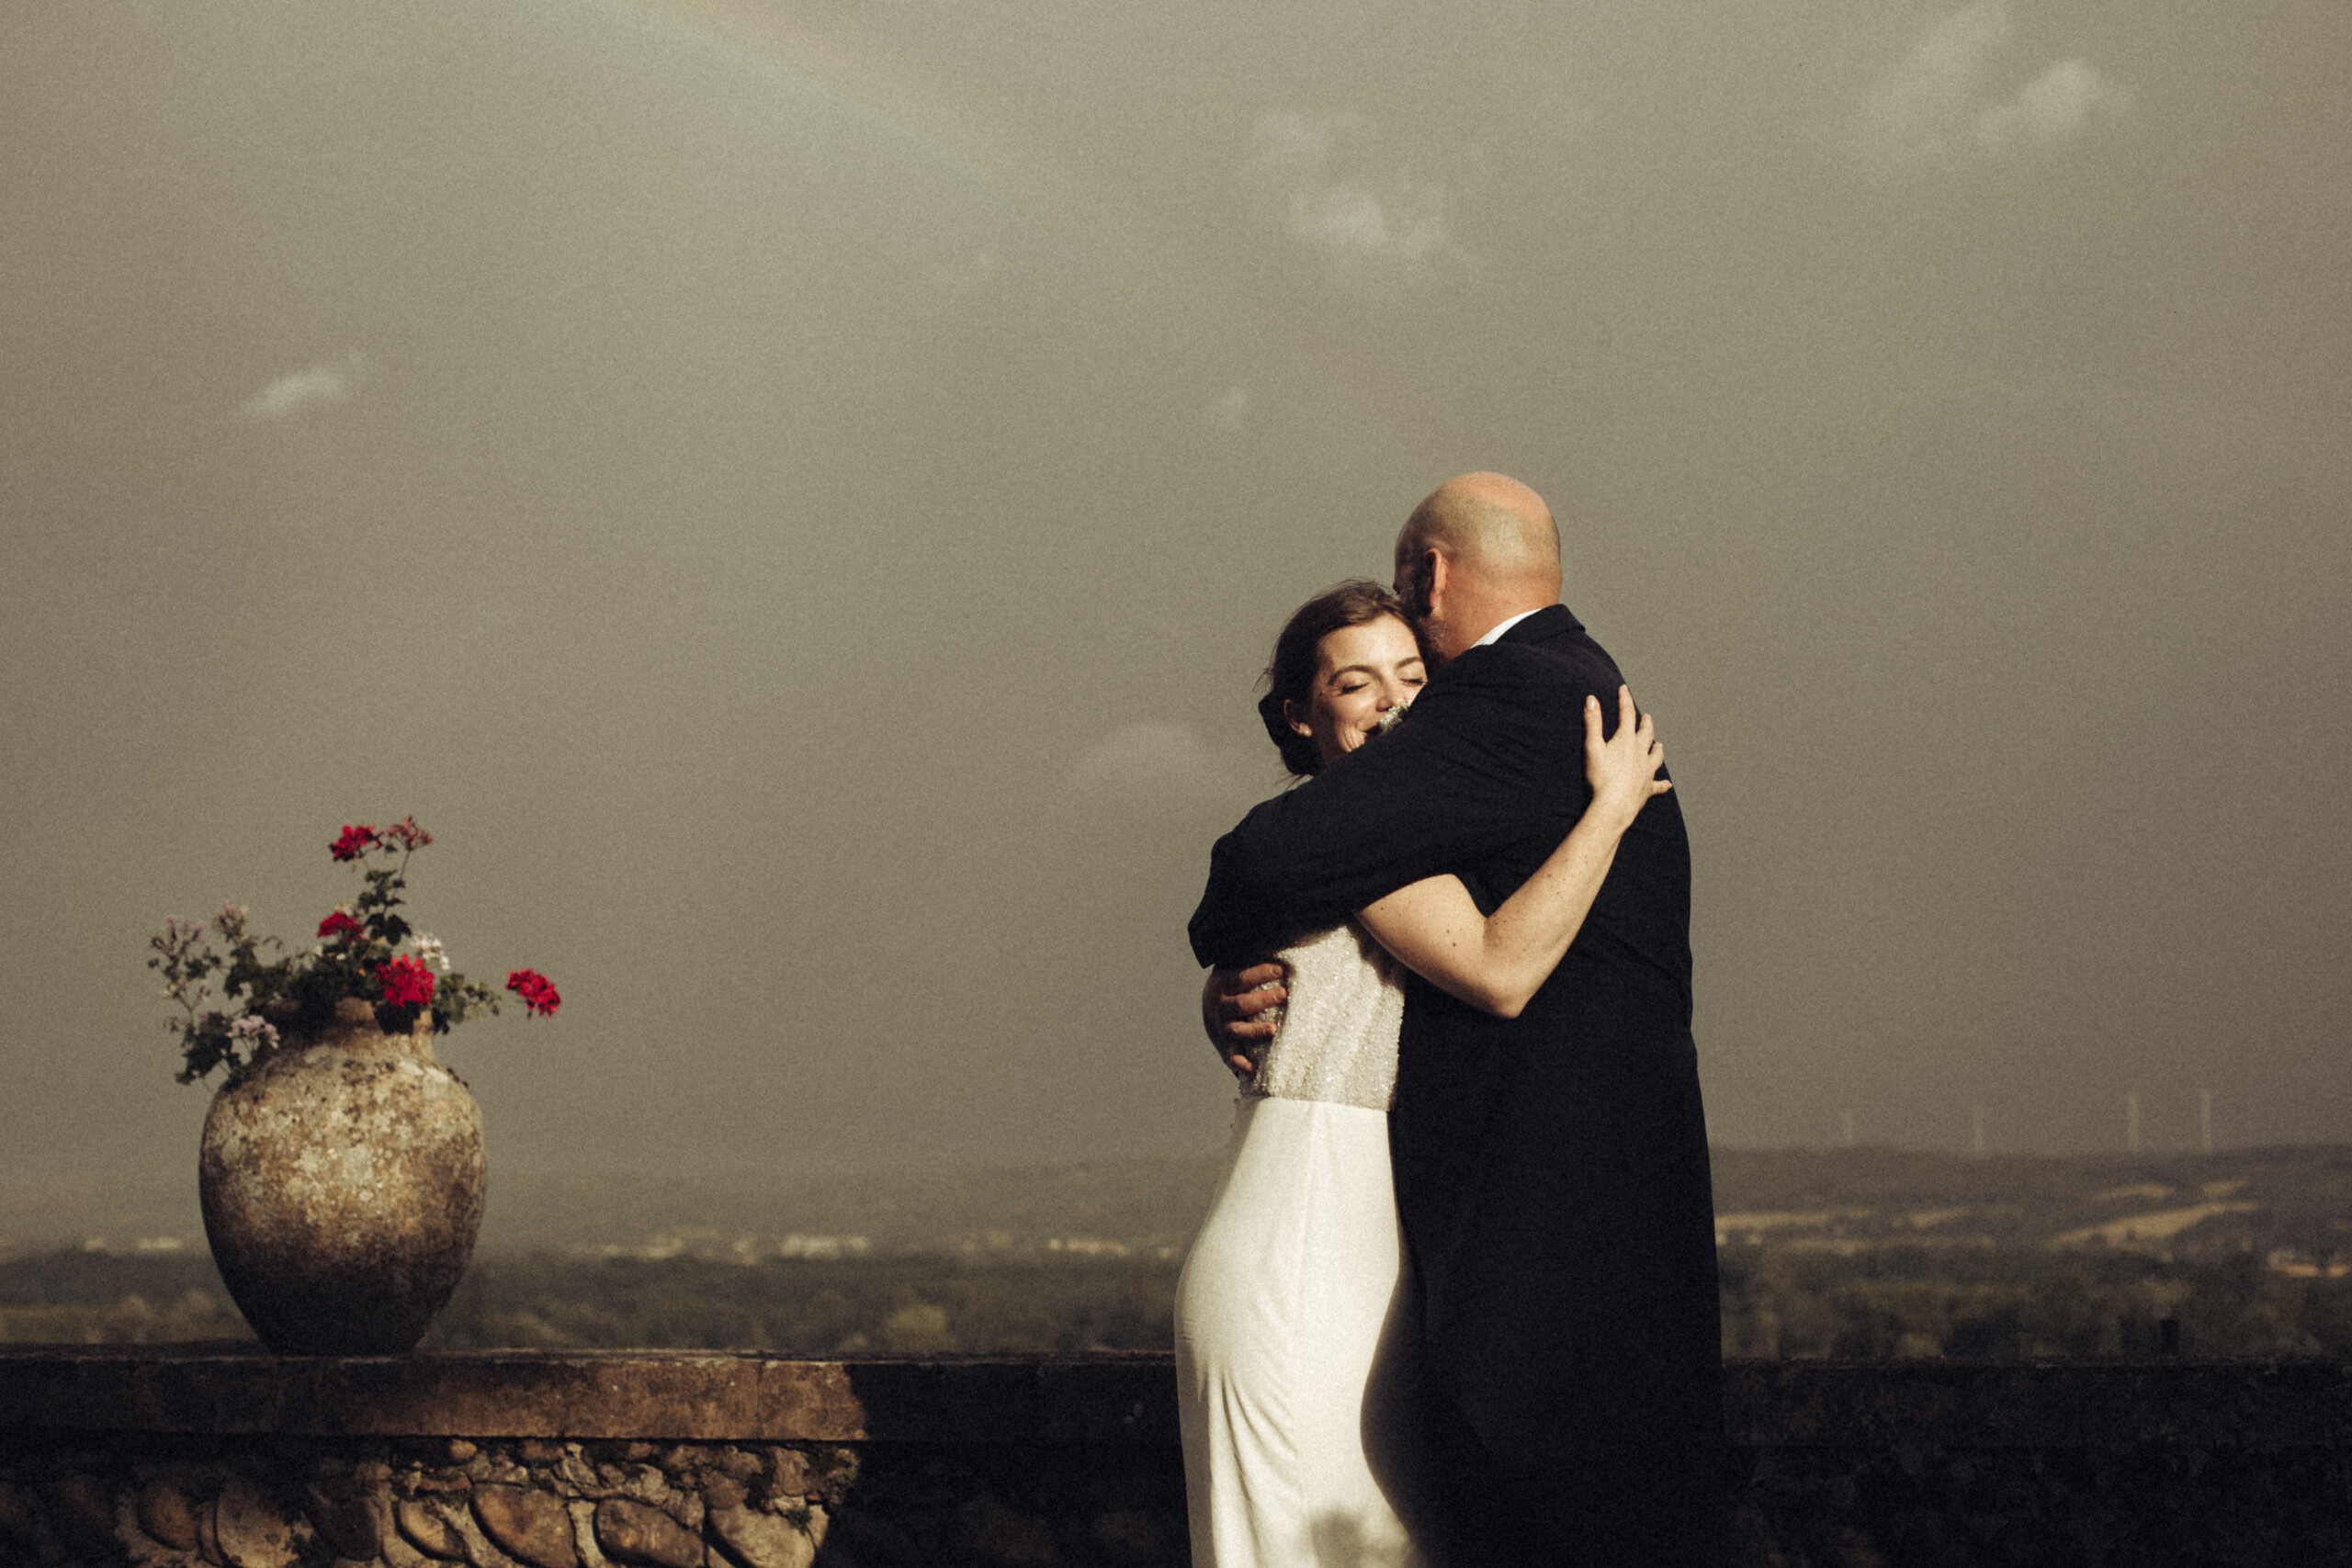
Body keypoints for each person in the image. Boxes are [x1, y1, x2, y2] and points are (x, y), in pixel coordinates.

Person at [1189, 474, 1725, 1566]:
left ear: (1428, 575)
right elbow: (1475, 961)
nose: (1396, 704)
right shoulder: (1521, 726)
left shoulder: (1478, 735)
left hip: (1406, 1242)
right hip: (1319, 1233)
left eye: (1410, 676)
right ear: (1302, 712)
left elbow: (1483, 967)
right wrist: (1608, 814)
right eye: (1356, 683)